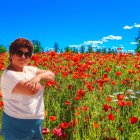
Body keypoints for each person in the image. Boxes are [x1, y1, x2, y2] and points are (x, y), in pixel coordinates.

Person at [0, 38, 55, 140]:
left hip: (36, 122)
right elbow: (31, 90)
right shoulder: (9, 75)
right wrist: (43, 82)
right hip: (17, 124)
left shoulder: (29, 69)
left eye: (27, 54)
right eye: (19, 53)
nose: (23, 57)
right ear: (11, 55)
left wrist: (39, 77)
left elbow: (51, 74)